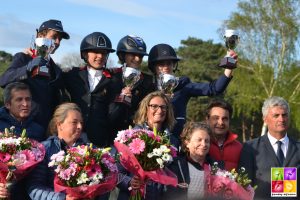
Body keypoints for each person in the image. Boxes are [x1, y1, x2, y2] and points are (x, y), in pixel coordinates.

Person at [147, 43, 237, 139]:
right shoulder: (146, 87)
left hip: (177, 143)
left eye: (169, 63)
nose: (166, 67)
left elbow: (214, 88)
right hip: (150, 141)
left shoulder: (183, 86)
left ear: (174, 65)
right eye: (161, 64)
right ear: (153, 67)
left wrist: (228, 69)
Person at [26, 103, 110, 200]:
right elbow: (34, 188)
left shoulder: (90, 150)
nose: (79, 126)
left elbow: (103, 183)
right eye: (74, 122)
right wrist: (63, 198)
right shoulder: (43, 149)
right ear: (59, 124)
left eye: (81, 123)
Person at [0, 19, 69, 130]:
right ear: (40, 36)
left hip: (47, 131)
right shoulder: (23, 58)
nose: (58, 42)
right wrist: (27, 69)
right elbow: (3, 80)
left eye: (60, 39)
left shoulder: (56, 70)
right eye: (54, 36)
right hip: (24, 128)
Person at [63, 32, 129, 147]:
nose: (100, 56)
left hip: (100, 139)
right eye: (96, 52)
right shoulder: (73, 75)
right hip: (73, 136)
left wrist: (123, 100)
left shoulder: (116, 81)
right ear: (84, 54)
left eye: (104, 53)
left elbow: (114, 113)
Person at [117, 91, 176, 200]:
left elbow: (173, 173)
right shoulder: (130, 137)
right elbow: (115, 173)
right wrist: (129, 182)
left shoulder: (172, 141)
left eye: (163, 107)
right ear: (146, 109)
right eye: (154, 106)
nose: (160, 110)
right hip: (132, 195)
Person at [238, 96, 300, 199]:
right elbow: (243, 187)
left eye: (284, 115)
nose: (281, 119)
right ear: (265, 119)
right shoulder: (250, 148)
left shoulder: (298, 148)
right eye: (276, 115)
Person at [0, 82, 45, 200]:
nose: (25, 104)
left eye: (28, 99)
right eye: (19, 100)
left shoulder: (38, 130)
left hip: (30, 192)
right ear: (8, 104)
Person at [163, 121, 215, 200]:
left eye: (207, 141)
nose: (204, 144)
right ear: (187, 142)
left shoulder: (215, 167)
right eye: (199, 140)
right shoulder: (175, 166)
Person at [113, 35, 156, 130]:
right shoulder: (111, 76)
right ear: (122, 55)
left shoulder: (148, 81)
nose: (137, 59)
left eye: (140, 56)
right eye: (133, 54)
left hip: (137, 131)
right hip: (110, 130)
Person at [205, 99, 242, 171]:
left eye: (225, 119)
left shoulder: (239, 147)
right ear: (207, 119)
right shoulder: (200, 145)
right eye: (216, 118)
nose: (220, 122)